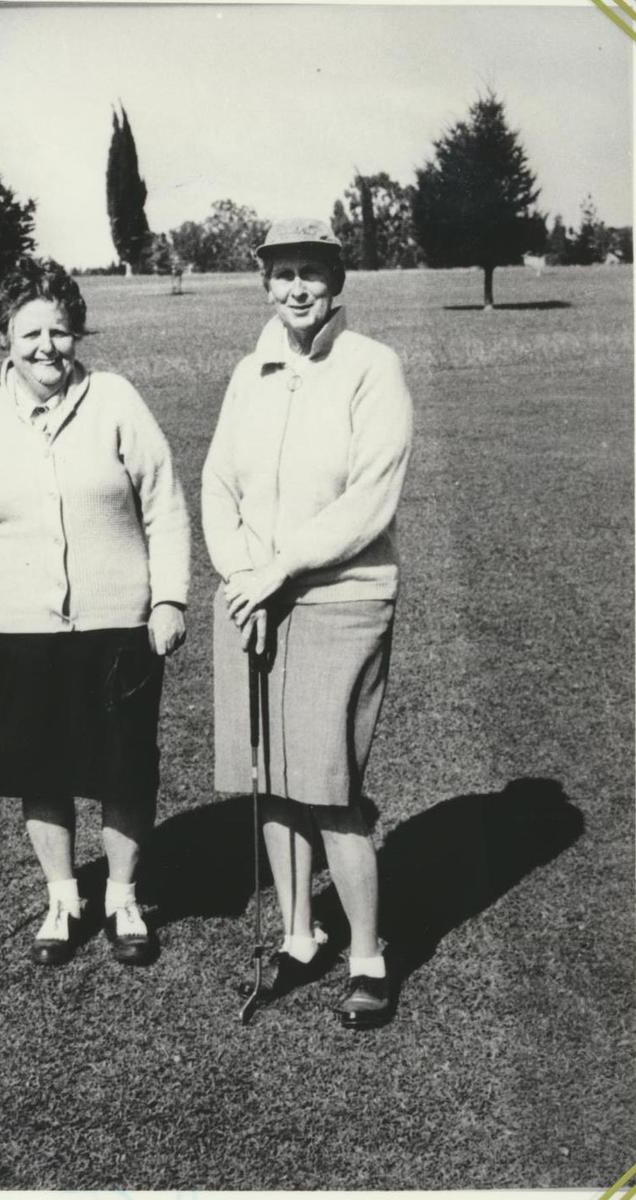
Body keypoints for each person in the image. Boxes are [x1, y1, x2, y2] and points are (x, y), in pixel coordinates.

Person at [0, 256, 190, 967]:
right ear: (3, 341)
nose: (47, 346)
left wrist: (168, 597)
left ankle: (123, 898)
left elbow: (164, 503)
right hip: (13, 633)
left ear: (77, 333)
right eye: (30, 332)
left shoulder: (114, 399)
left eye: (61, 330)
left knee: (122, 771)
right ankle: (61, 898)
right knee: (38, 770)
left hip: (116, 628)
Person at [201, 218, 412, 1028]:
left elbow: (370, 500)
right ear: (263, 282)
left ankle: (367, 955)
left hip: (340, 597)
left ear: (338, 281)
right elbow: (218, 481)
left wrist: (278, 570)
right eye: (282, 272)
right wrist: (241, 575)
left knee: (328, 788)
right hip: (251, 595)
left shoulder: (372, 367)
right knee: (271, 782)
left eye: (312, 273)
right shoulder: (248, 372)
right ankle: (298, 935)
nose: (296, 288)